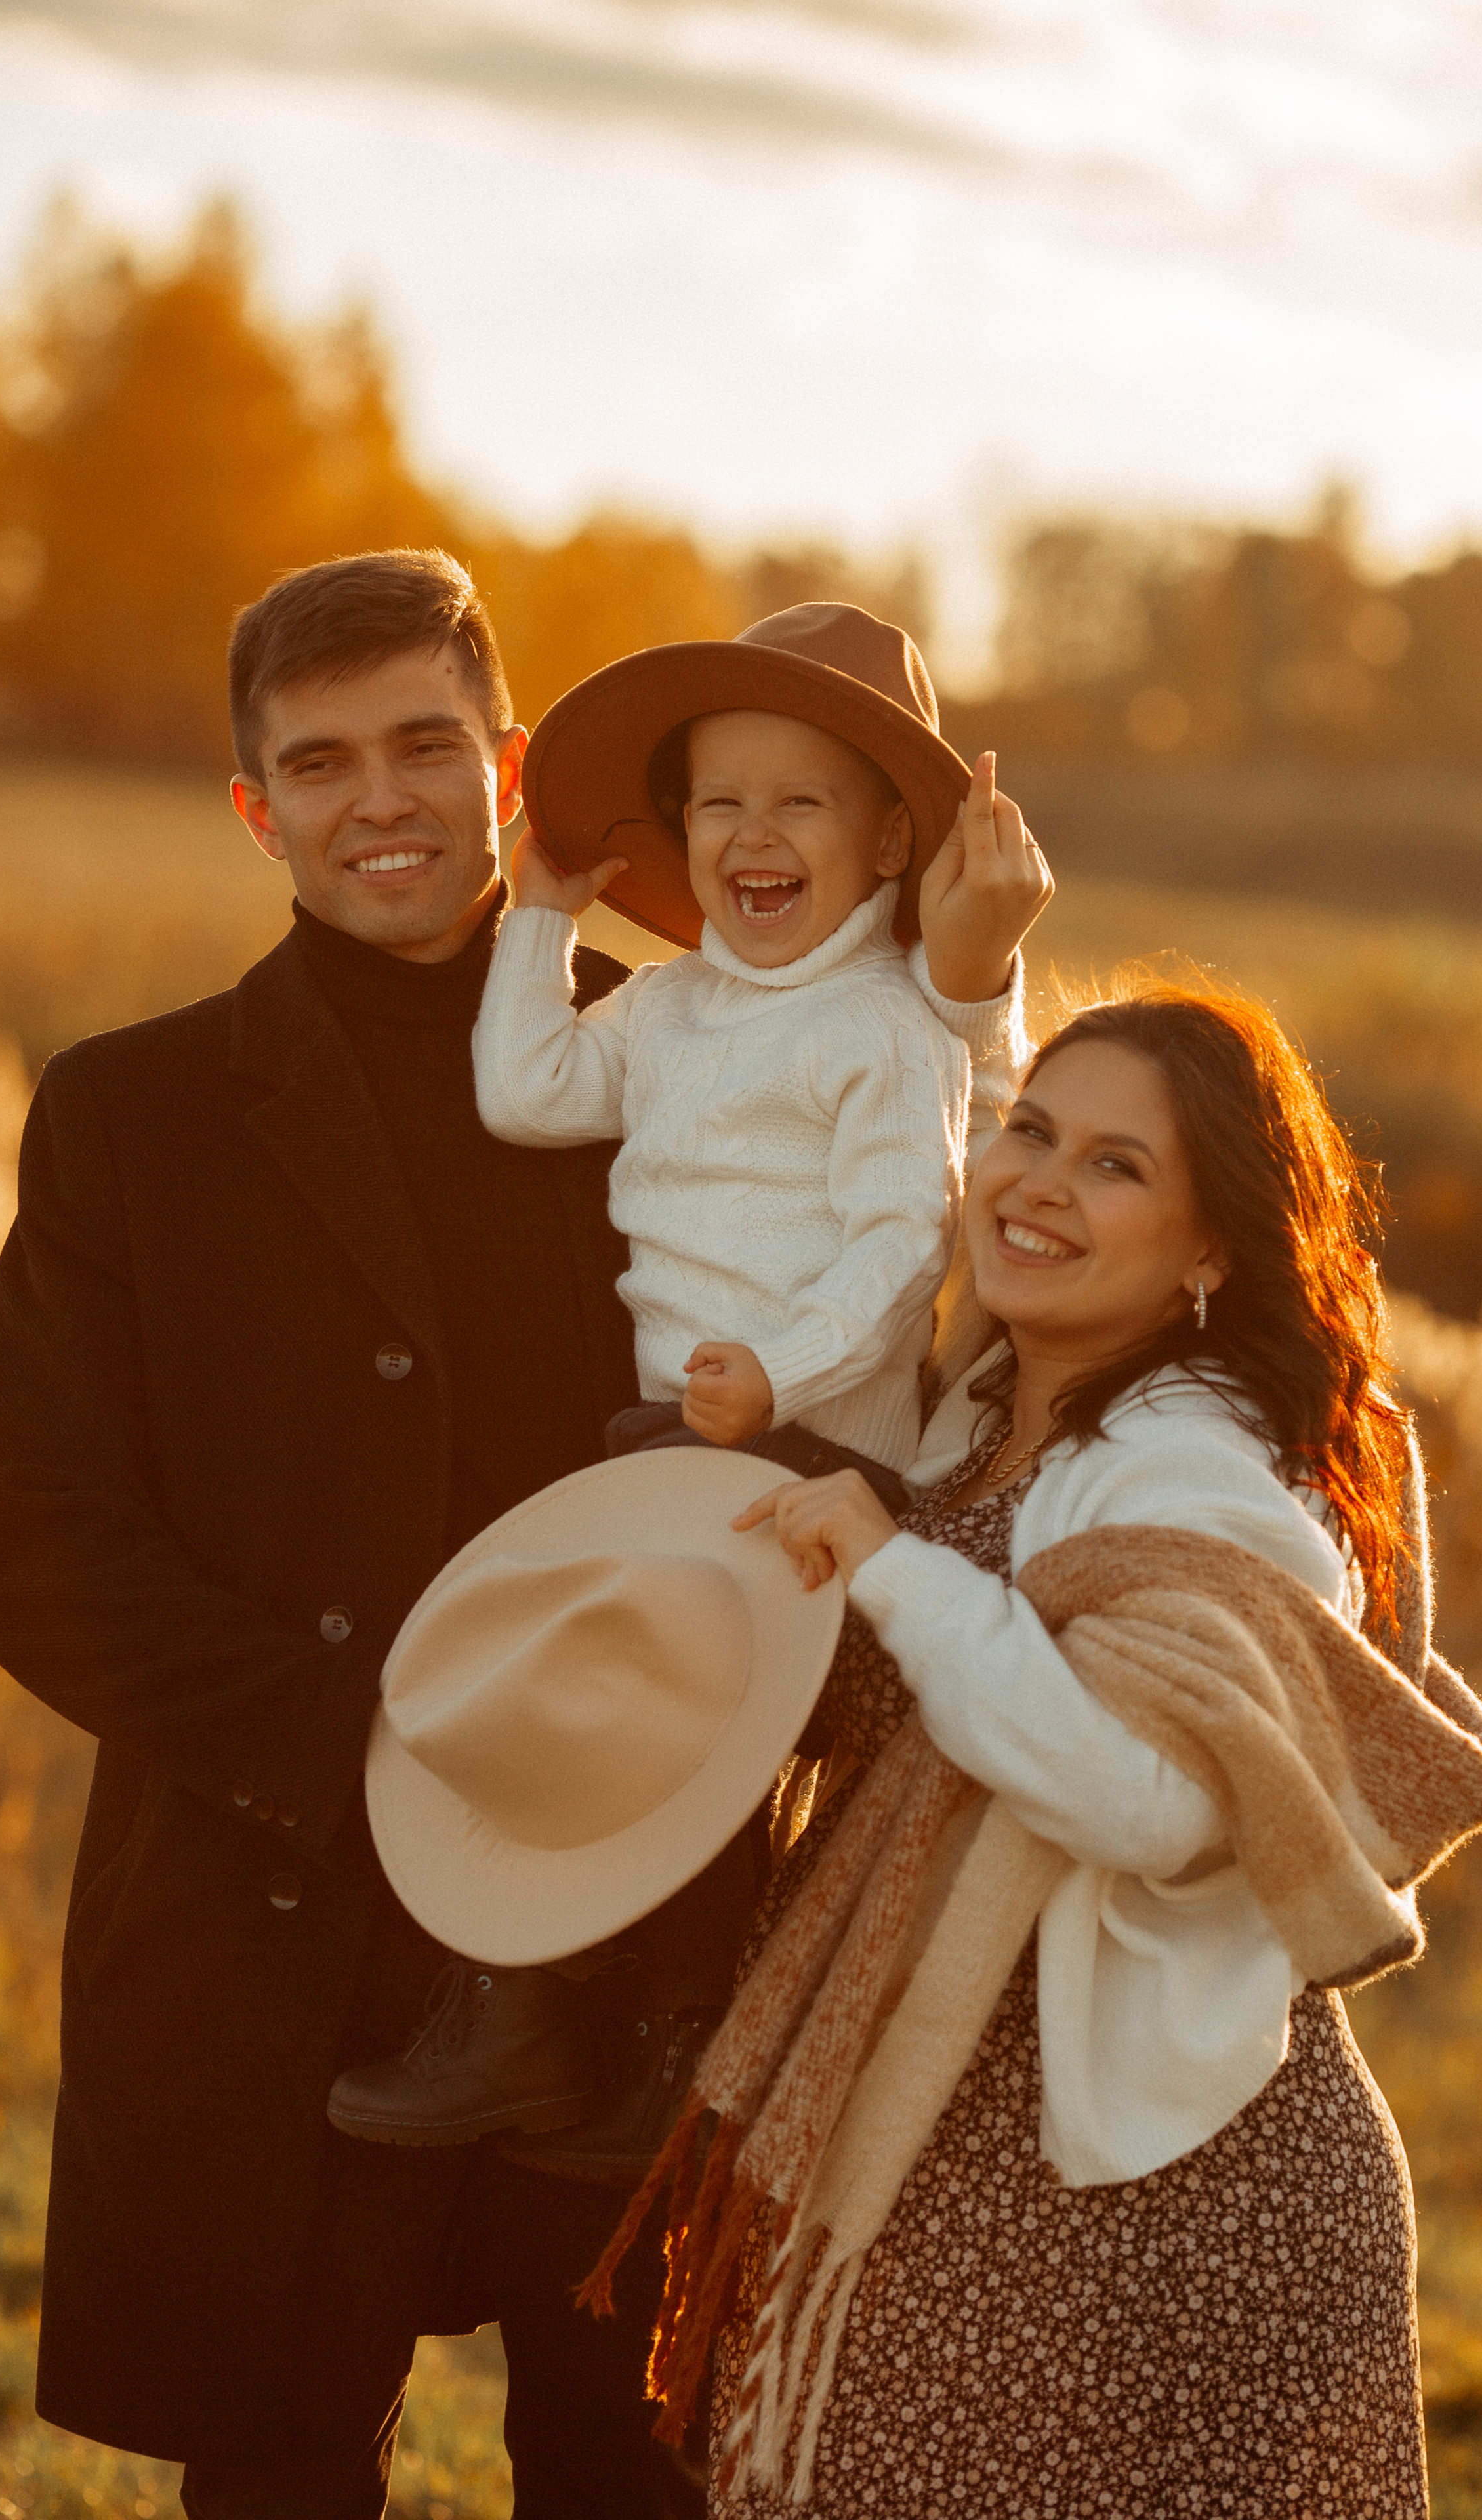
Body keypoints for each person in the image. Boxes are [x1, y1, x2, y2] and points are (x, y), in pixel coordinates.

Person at [0, 547, 1044, 2520]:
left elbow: (971, 1293)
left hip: (658, 1924)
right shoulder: (132, 1117)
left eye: (422, 744)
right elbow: (23, 1520)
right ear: (255, 807)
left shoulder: (707, 1055)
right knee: (279, 2480)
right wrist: (353, 1745)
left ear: (515, 763)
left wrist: (976, 985)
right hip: (269, 1914)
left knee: (633, 2476)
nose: (376, 799)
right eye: (317, 764)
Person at [594, 977, 1482, 2517]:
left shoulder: (1198, 1465)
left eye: (1117, 1165)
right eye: (1032, 1131)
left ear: (1212, 1248)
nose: (1038, 1181)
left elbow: (1148, 1801)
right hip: (957, 2136)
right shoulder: (985, 1416)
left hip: (1149, 2194)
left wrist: (894, 1570)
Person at [331, 600, 1050, 2165]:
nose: (752, 833)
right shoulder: (663, 1012)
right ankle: (527, 2005)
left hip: (801, 1430)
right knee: (585, 1667)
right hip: (675, 1425)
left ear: (884, 848)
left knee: (692, 1713)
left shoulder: (884, 1029)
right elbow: (526, 1096)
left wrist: (775, 1377)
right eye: (718, 802)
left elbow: (901, 1240)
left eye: (800, 801)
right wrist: (536, 917)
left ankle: (670, 2049)